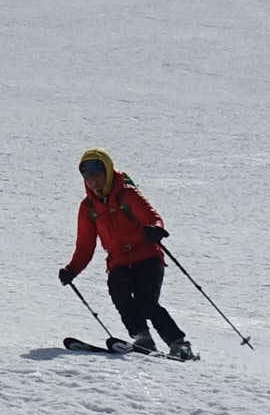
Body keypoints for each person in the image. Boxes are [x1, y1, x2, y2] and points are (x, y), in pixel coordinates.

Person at [60, 147, 193, 358]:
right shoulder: (88, 208)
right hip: (118, 261)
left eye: (96, 175)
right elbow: (85, 245)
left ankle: (179, 343)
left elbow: (151, 216)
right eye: (87, 176)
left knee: (146, 302)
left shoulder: (127, 193)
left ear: (108, 172)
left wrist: (155, 228)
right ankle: (143, 338)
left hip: (147, 257)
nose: (92, 181)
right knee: (120, 295)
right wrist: (72, 269)